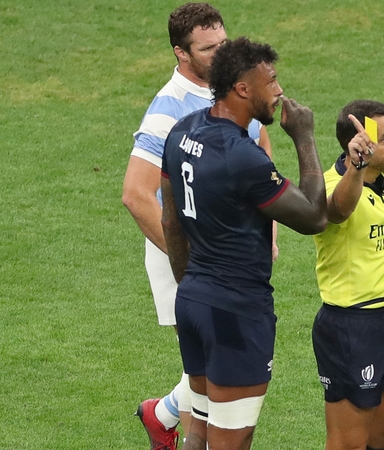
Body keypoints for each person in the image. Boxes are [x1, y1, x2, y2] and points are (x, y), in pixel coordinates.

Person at [121, 3, 277, 448]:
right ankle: (171, 420)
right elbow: (136, 195)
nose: (220, 54)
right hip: (189, 254)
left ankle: (161, 414)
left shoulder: (231, 91)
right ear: (181, 54)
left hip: (230, 252)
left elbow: (258, 141)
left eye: (223, 44)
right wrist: (194, 258)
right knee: (213, 371)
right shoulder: (168, 109)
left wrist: (268, 230)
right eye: (207, 49)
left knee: (211, 371)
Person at [160, 37, 327, 450]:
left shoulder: (182, 132)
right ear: (242, 88)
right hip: (236, 314)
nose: (279, 91)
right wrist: (304, 138)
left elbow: (170, 221)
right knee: (232, 440)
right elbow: (314, 216)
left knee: (197, 431)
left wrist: (192, 287)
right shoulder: (242, 156)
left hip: (195, 300)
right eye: (271, 82)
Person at [311, 100, 384, 450]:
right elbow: (338, 211)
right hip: (349, 327)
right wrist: (355, 166)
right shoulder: (329, 187)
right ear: (359, 144)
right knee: (347, 442)